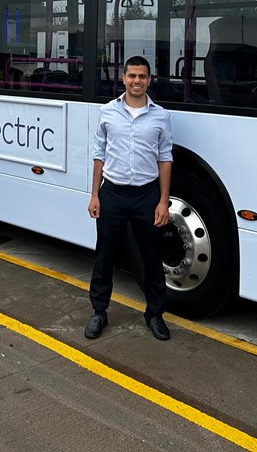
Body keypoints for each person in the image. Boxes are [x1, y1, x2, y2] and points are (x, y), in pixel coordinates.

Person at [85, 56, 173, 341]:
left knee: (151, 257)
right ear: (123, 78)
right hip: (112, 193)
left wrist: (163, 201)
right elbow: (99, 154)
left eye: (142, 76)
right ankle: (99, 312)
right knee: (105, 255)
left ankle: (155, 314)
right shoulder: (107, 112)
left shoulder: (160, 116)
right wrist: (95, 194)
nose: (137, 81)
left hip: (146, 195)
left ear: (149, 80)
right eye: (132, 75)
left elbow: (165, 158)